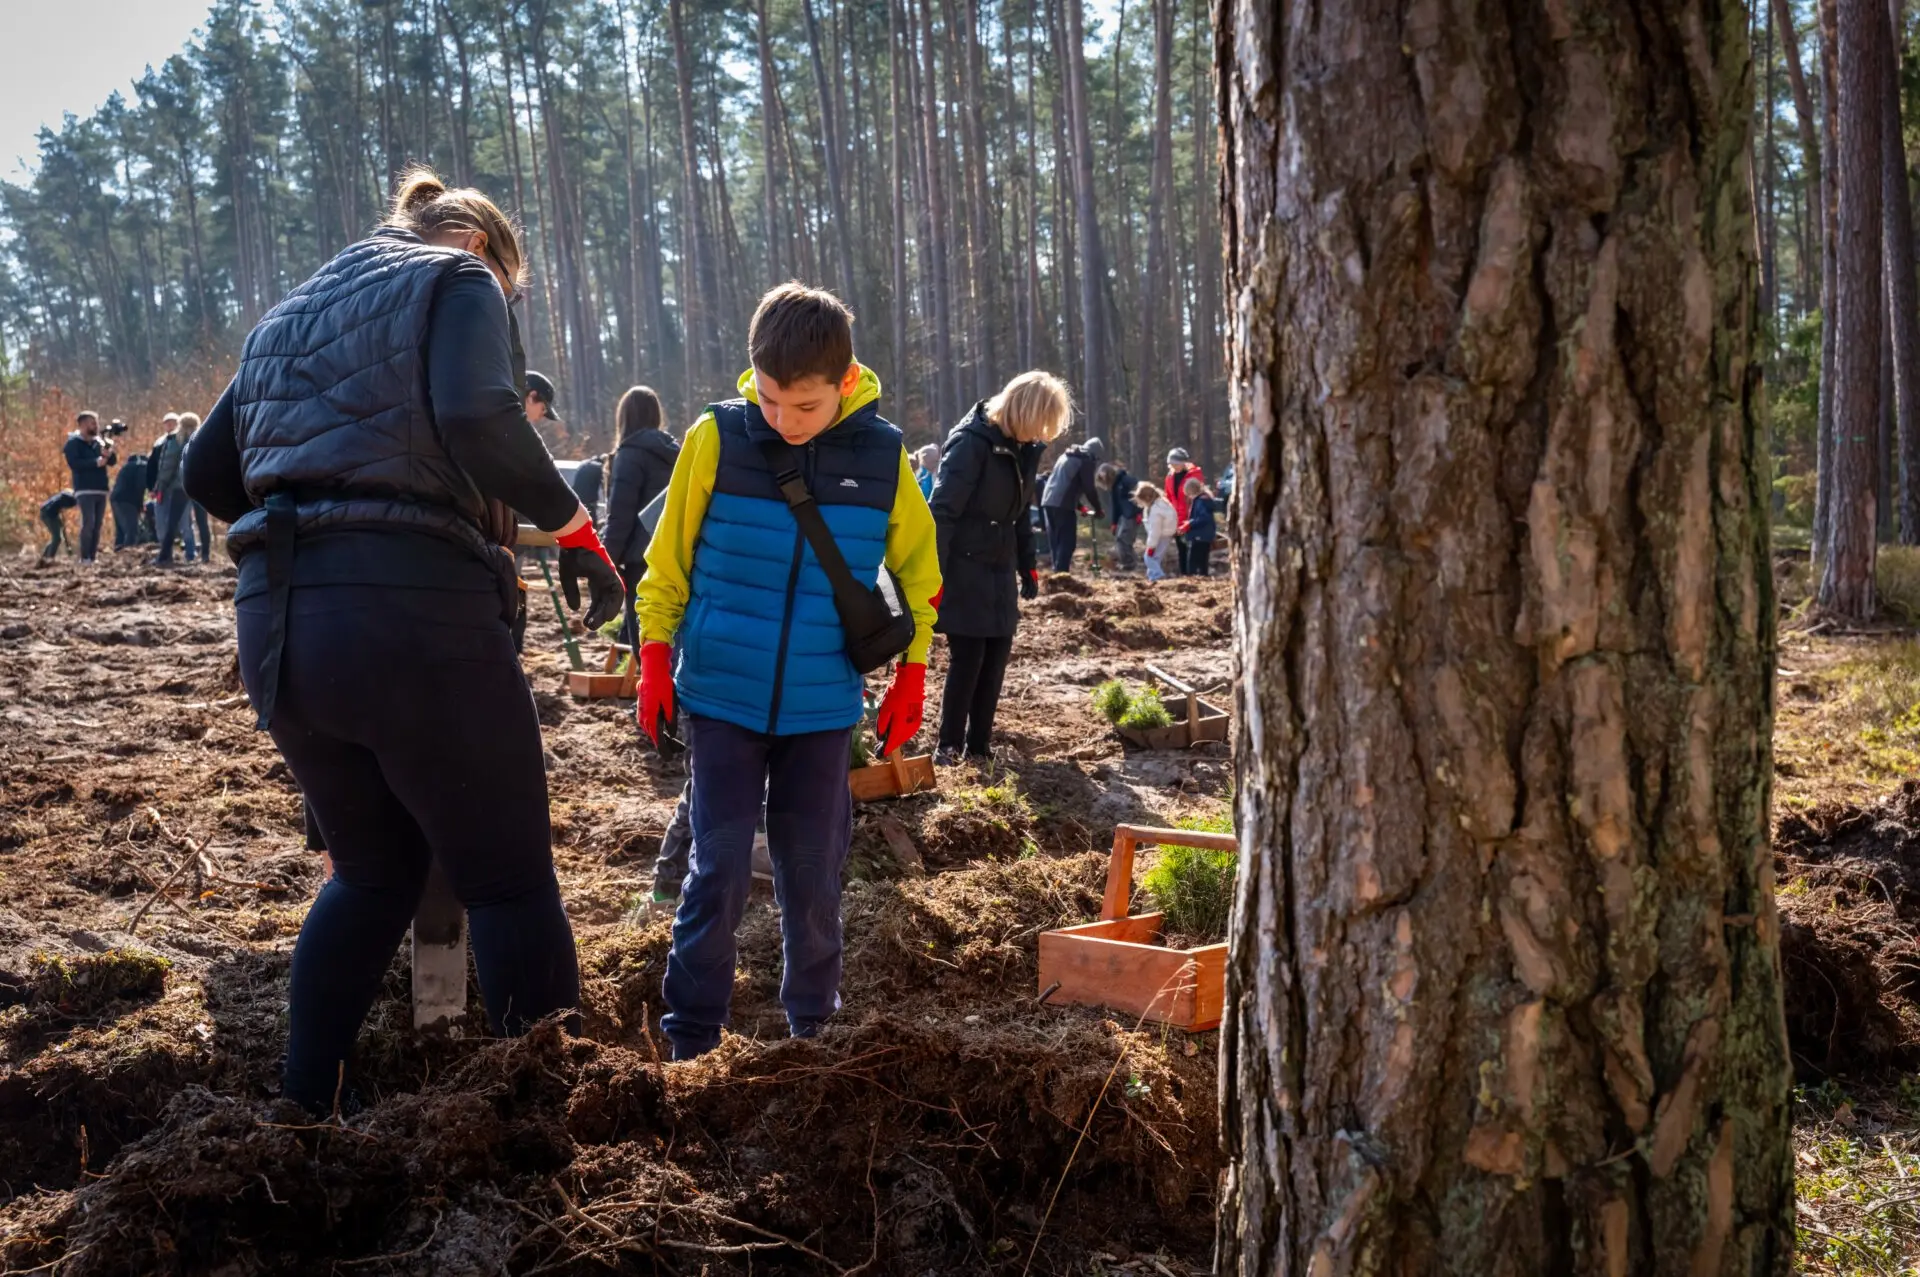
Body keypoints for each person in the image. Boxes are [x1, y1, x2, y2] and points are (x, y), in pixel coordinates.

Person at [181, 166, 626, 1113]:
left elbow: (206, 469)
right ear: (479, 247)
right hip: (411, 607)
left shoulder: (286, 314)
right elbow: (475, 415)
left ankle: (309, 1111)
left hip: (280, 624)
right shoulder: (457, 279)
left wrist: (312, 512)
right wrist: (572, 523)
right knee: (506, 879)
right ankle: (547, 1126)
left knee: (374, 874)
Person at [634, 281, 941, 1059]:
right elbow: (664, 563)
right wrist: (656, 657)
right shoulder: (717, 438)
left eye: (803, 406)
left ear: (844, 383)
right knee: (720, 866)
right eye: (769, 400)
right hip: (721, 695)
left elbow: (921, 573)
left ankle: (814, 1027)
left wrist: (912, 671)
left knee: (811, 872)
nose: (784, 420)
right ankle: (692, 1036)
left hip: (822, 703)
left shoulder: (883, 457)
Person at [928, 372, 1064, 764]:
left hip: (999, 568)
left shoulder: (1021, 450)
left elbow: (1019, 515)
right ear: (1022, 411)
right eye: (1040, 423)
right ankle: (949, 746)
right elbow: (943, 512)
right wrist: (934, 574)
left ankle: (979, 747)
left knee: (996, 656)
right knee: (968, 657)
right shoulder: (971, 444)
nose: (1042, 434)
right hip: (965, 568)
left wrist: (1028, 565)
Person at [602, 385, 680, 654]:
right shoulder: (677, 453)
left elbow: (620, 516)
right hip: (676, 556)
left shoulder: (630, 454)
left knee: (645, 647)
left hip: (641, 560)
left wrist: (604, 563)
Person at [1038, 434, 1103, 572]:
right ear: (1094, 454)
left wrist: (1080, 507)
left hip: (1048, 501)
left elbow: (1064, 484)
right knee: (1067, 542)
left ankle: (1057, 575)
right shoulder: (1085, 459)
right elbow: (1089, 488)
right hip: (1062, 505)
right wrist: (1098, 509)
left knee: (1056, 541)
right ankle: (1062, 576)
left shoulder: (1066, 456)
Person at [153, 413, 212, 565]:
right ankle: (205, 555)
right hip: (201, 487)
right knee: (202, 522)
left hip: (181, 487)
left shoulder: (175, 440)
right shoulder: (205, 439)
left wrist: (161, 484)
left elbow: (168, 465)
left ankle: (165, 555)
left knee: (173, 521)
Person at [62, 411, 116, 564]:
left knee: (97, 524)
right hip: (84, 489)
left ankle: (93, 557)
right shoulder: (73, 443)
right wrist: (94, 462)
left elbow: (112, 461)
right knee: (88, 522)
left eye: (96, 422)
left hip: (101, 488)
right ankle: (84, 557)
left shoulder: (99, 442)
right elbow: (74, 463)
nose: (96, 426)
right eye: (92, 423)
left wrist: (108, 453)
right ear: (82, 424)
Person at [1162, 447, 1206, 574]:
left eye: (1176, 464)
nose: (1174, 466)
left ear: (1183, 463)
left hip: (1191, 517)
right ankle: (1184, 574)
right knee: (1181, 548)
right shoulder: (1170, 477)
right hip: (1176, 518)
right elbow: (1168, 496)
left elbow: (1197, 496)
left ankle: (1195, 574)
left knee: (1192, 549)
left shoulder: (1195, 475)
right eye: (1171, 464)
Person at [1097, 461, 1141, 570]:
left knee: (1124, 539)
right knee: (1120, 539)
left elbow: (1140, 494)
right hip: (1124, 516)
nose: (1104, 481)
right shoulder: (1114, 487)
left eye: (1105, 478)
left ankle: (1129, 564)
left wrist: (1139, 512)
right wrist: (1114, 523)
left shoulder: (1126, 480)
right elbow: (1115, 506)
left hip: (1132, 515)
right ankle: (1131, 562)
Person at [110, 441, 149, 549]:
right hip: (127, 501)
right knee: (132, 530)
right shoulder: (143, 466)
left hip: (115, 498)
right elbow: (140, 486)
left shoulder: (127, 467)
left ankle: (118, 553)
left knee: (121, 531)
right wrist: (140, 505)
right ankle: (128, 554)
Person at [1140, 481, 1177, 582]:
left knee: (1148, 557)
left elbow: (1155, 530)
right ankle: (1152, 577)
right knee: (1156, 558)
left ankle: (1158, 575)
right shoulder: (1161, 503)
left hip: (1161, 535)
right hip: (1165, 534)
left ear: (1146, 498)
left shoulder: (1156, 510)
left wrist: (1151, 546)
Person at [1181, 476, 1217, 577]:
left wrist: (1190, 523)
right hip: (1206, 535)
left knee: (1193, 560)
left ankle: (1193, 577)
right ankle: (1203, 576)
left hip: (1199, 535)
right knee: (1203, 560)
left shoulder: (1200, 501)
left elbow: (1203, 518)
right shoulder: (1204, 499)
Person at [39, 490, 76, 561]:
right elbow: (62, 504)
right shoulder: (70, 498)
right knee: (57, 538)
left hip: (49, 512)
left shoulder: (67, 494)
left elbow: (59, 505)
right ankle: (49, 558)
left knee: (56, 538)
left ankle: (44, 558)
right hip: (48, 514)